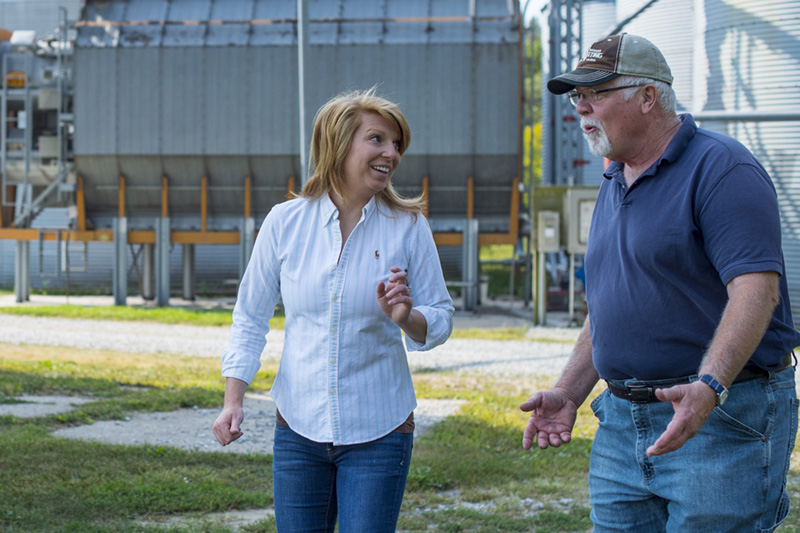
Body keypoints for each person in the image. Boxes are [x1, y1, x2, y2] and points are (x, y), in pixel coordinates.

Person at [520, 33, 800, 532]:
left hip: (718, 422)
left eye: (597, 93)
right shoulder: (615, 178)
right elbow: (612, 306)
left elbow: (757, 290)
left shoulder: (722, 168)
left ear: (648, 97)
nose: (581, 107)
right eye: (575, 96)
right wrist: (569, 392)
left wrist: (709, 386)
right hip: (621, 425)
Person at [212, 88, 454, 532]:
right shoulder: (284, 224)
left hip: (381, 431)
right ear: (339, 145)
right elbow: (250, 316)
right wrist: (234, 400)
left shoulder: (409, 227)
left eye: (397, 143)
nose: (392, 153)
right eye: (378, 139)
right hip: (297, 430)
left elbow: (440, 317)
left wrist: (406, 318)